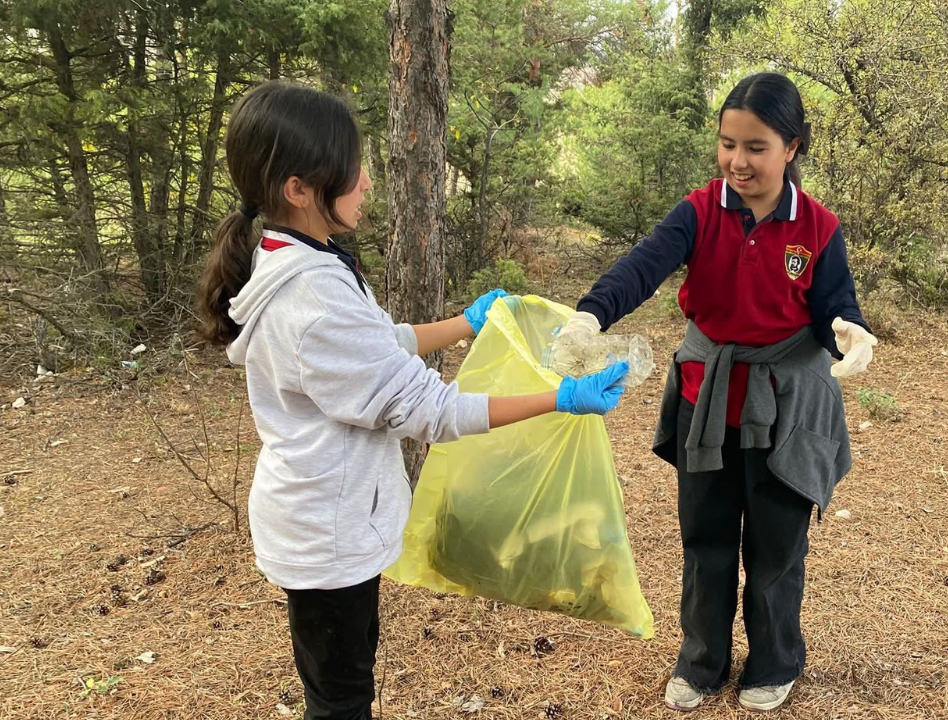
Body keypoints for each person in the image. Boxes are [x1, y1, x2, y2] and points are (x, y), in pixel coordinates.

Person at [194, 81, 628, 720]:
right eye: (352, 172)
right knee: (340, 701)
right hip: (328, 536)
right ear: (299, 189)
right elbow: (432, 411)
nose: (366, 182)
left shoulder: (302, 260)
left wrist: (462, 323)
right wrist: (558, 397)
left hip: (326, 521)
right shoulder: (310, 301)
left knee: (343, 684)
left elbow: (376, 346)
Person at [550, 72, 878, 712]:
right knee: (705, 536)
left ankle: (775, 660)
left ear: (792, 146)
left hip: (788, 407)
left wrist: (849, 330)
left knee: (777, 543)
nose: (738, 161)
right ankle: (701, 663)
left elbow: (835, 305)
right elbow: (643, 265)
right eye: (728, 144)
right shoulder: (700, 211)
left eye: (756, 146)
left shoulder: (817, 227)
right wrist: (592, 314)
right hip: (709, 399)